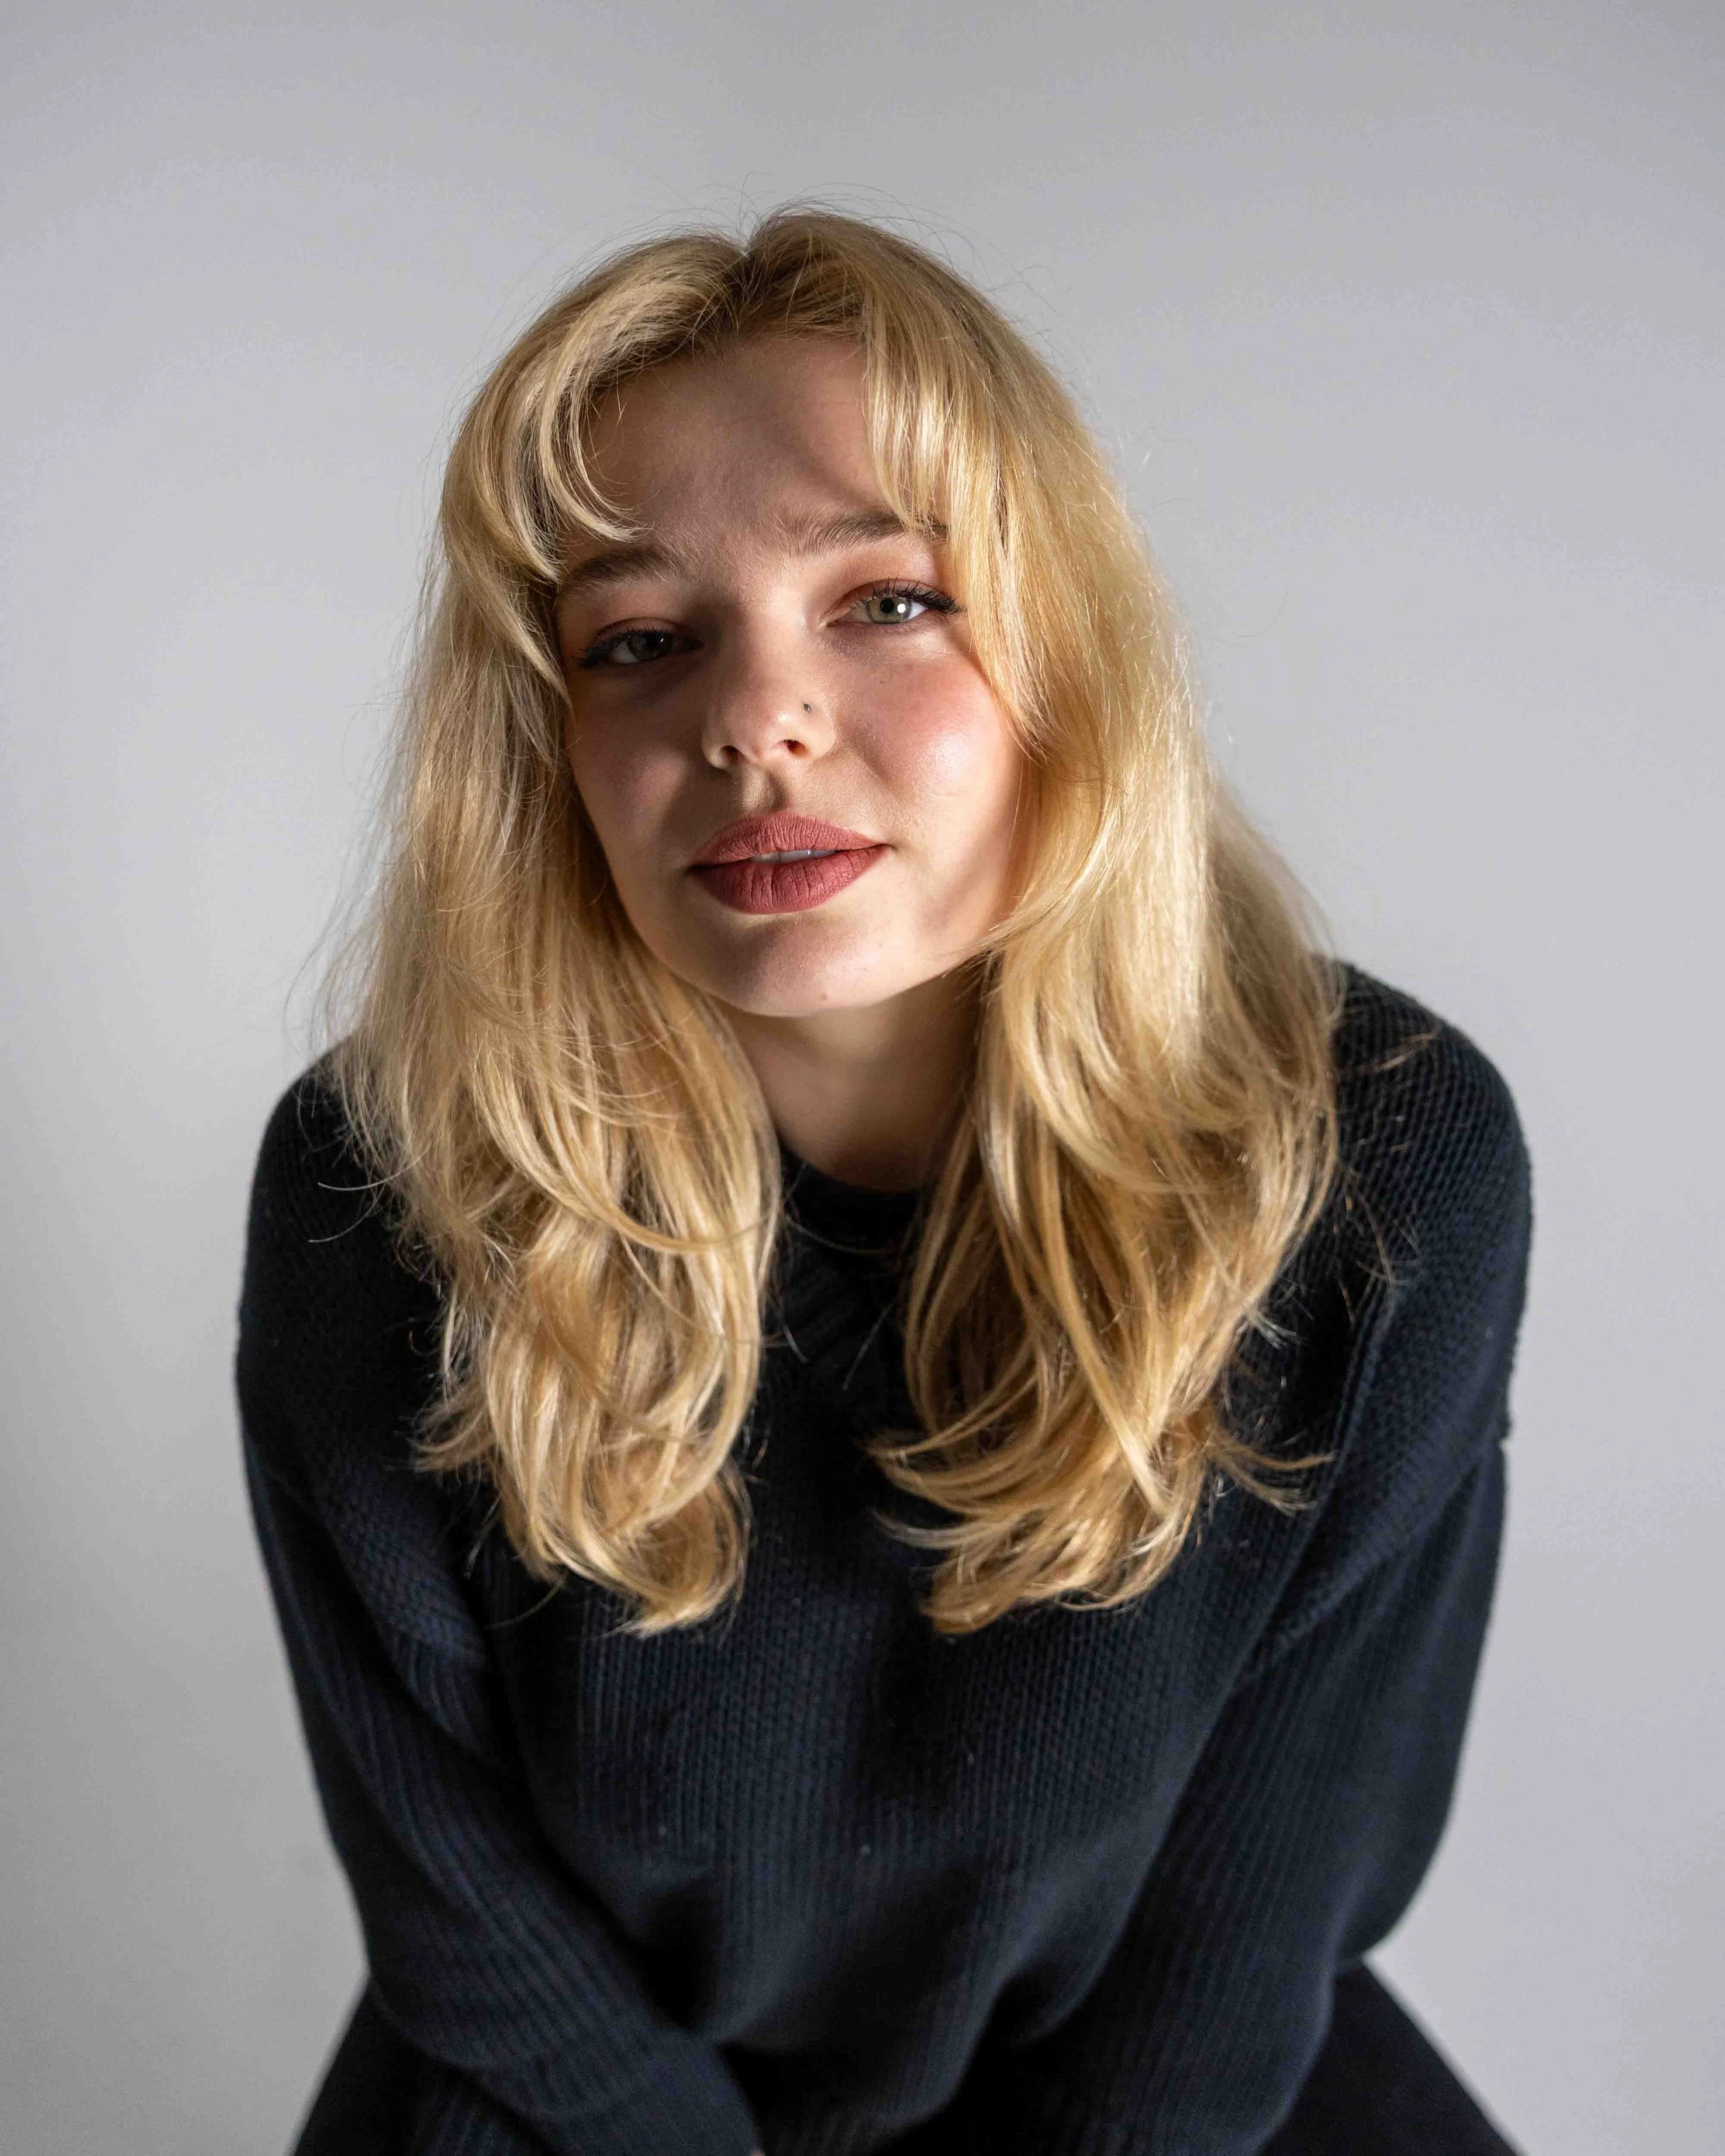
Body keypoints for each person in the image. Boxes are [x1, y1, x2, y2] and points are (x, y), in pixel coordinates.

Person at [237, 208, 1532, 2156]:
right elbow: (469, 1918)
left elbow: (1257, 1915)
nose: (753, 719)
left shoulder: (1383, 1160)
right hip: (585, 2114)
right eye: (639, 640)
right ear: (548, 745)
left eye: (888, 599)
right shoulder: (384, 1183)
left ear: (1065, 642)